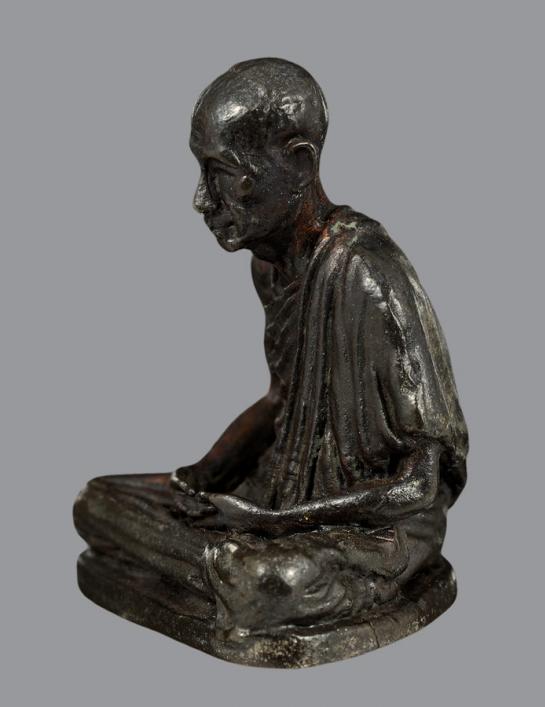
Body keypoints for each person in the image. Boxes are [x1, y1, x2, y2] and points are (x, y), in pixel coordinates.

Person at [75, 58, 468, 636]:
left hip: (374, 525)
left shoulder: (365, 272)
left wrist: (275, 521)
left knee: (269, 581)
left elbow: (419, 485)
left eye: (223, 174)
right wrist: (200, 476)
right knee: (96, 501)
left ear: (298, 163)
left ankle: (238, 576)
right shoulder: (270, 265)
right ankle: (227, 569)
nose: (202, 199)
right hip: (278, 492)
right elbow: (280, 401)